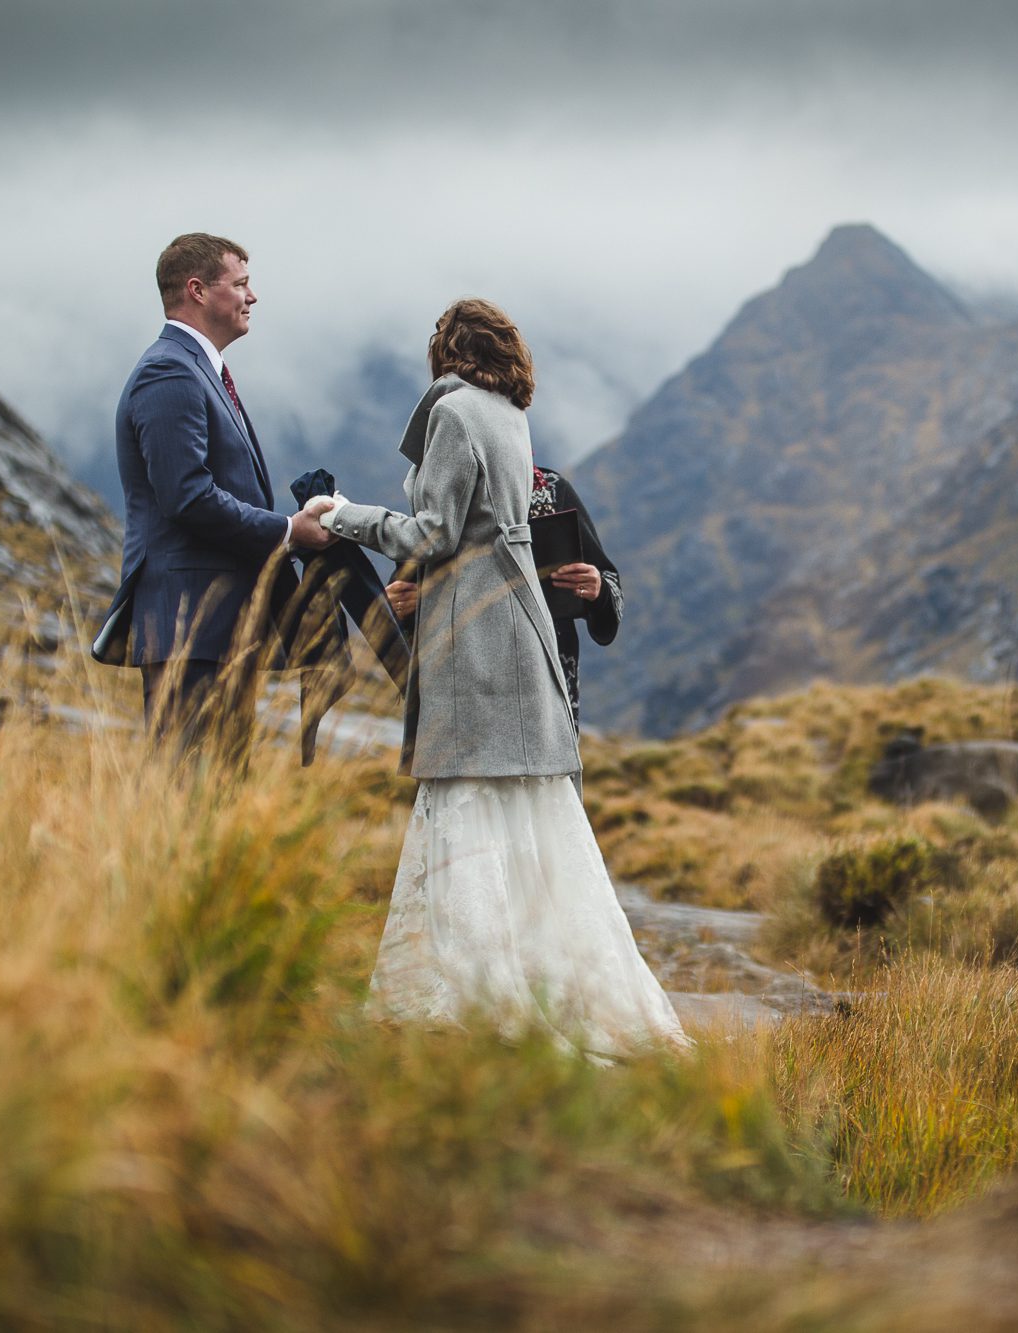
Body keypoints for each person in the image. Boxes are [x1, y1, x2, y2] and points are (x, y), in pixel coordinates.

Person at [302, 298, 688, 1058]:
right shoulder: (512, 417)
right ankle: (557, 986)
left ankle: (478, 998)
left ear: (444, 354)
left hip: (473, 634)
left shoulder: (452, 413)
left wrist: (344, 515)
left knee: (466, 801)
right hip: (521, 631)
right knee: (531, 816)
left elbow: (434, 533)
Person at [92, 233, 333, 757]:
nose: (253, 297)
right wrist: (290, 532)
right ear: (198, 290)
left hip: (216, 630)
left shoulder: (201, 370)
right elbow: (188, 497)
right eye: (241, 283)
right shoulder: (169, 370)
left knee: (215, 796)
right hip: (188, 626)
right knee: (192, 794)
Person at [384, 463, 620, 727]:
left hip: (543, 685)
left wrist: (597, 588)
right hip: (460, 688)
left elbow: (607, 579)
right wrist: (395, 607)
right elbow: (404, 589)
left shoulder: (551, 490)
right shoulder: (440, 493)